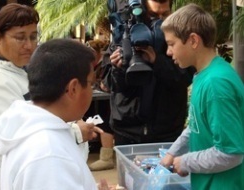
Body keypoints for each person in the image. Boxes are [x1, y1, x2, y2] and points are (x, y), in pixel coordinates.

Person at [0, 3, 101, 189]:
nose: (28, 45)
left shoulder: (20, 70)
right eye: (20, 38)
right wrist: (74, 132)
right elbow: (19, 131)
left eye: (33, 36)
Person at [160, 3, 244, 190]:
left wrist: (186, 161)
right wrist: (172, 154)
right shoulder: (202, 75)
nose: (168, 52)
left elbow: (231, 152)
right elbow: (196, 125)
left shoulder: (216, 84)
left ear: (193, 40)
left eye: (172, 44)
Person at [103, 0, 195, 146]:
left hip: (167, 131)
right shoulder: (123, 36)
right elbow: (109, 84)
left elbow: (186, 77)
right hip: (128, 131)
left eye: (165, 14)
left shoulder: (180, 40)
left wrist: (156, 60)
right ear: (142, 11)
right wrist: (118, 68)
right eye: (153, 15)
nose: (159, 20)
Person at [86, 39, 115, 171]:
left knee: (104, 119)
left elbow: (105, 84)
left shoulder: (105, 63)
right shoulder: (94, 64)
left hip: (109, 100)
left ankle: (106, 158)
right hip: (99, 98)